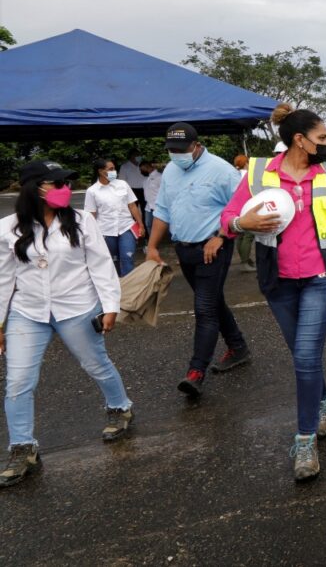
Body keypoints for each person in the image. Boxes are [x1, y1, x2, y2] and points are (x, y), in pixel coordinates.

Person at [222, 104, 326, 481]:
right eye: (322, 138)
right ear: (299, 140)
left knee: (304, 355)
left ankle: (304, 440)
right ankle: (324, 401)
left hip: (320, 279)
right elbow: (229, 218)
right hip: (278, 281)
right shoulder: (257, 172)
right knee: (305, 356)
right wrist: (240, 222)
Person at [0, 161, 133, 488]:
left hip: (76, 307)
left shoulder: (81, 221)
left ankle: (119, 407)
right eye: (54, 183)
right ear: (34, 188)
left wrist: (110, 306)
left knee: (96, 364)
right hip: (28, 312)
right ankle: (22, 447)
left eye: (64, 183)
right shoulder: (8, 228)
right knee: (17, 381)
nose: (62, 189)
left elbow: (101, 265)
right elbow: (3, 278)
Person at [147, 122, 252, 397]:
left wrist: (221, 236)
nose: (176, 154)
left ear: (197, 145)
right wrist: (152, 246)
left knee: (204, 308)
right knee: (213, 301)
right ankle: (238, 347)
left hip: (213, 248)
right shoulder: (171, 170)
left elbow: (244, 208)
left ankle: (196, 372)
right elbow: (163, 210)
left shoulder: (222, 171)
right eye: (171, 149)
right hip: (184, 248)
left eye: (182, 149)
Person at [84, 158, 146, 277]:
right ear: (101, 171)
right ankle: (117, 286)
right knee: (113, 260)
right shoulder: (92, 191)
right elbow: (91, 215)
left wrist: (141, 225)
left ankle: (129, 288)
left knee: (127, 257)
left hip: (126, 227)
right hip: (105, 231)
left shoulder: (122, 184)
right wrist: (91, 235)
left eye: (114, 168)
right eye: (111, 169)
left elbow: (132, 206)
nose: (114, 171)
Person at [232, 154, 256, 272]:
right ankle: (245, 262)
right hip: (246, 208)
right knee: (248, 235)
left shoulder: (234, 175)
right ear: (246, 163)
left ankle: (244, 259)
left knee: (240, 236)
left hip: (236, 208)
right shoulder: (247, 175)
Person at [142, 162, 163, 235]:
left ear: (148, 167)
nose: (141, 171)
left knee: (159, 225)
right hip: (148, 206)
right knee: (148, 224)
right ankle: (151, 242)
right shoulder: (145, 179)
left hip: (157, 206)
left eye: (142, 169)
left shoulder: (159, 177)